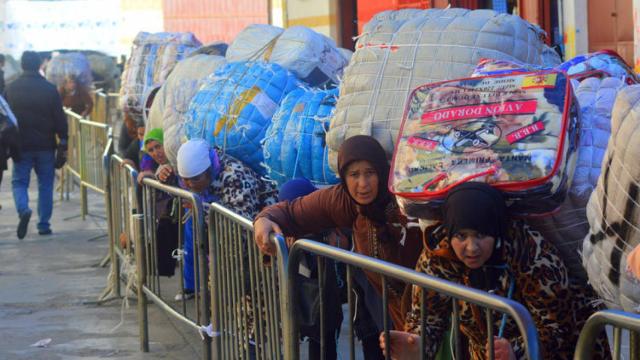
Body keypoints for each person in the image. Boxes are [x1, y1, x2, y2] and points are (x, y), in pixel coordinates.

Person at [380, 182, 610, 360]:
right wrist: (417, 344)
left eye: (481, 235)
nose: (472, 248)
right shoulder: (439, 256)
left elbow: (557, 328)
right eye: (461, 236)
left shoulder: (530, 250)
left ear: (496, 229)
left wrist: (517, 351)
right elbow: (427, 317)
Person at [254, 135, 424, 358]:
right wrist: (263, 219)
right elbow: (293, 211)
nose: (362, 184)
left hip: (436, 314)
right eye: (354, 175)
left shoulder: (408, 200)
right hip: (394, 315)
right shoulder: (344, 201)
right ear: (344, 176)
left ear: (383, 173)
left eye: (370, 173)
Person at [175, 139, 278, 299]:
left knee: (255, 296)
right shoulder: (205, 175)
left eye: (195, 179)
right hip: (230, 251)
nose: (189, 185)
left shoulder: (235, 176)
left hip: (255, 246)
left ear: (209, 170)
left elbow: (241, 224)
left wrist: (205, 211)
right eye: (185, 180)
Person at [278, 178, 347, 360]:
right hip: (321, 308)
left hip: (312, 307)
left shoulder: (291, 238)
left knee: (320, 344)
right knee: (323, 345)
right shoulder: (317, 234)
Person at [5, 51, 67, 238]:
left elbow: (6, 118)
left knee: (19, 182)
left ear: (22, 65)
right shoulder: (49, 89)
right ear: (39, 65)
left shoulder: (10, 89)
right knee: (46, 184)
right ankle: (43, 224)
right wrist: (63, 141)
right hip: (45, 146)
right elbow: (60, 118)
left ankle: (23, 209)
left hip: (20, 146)